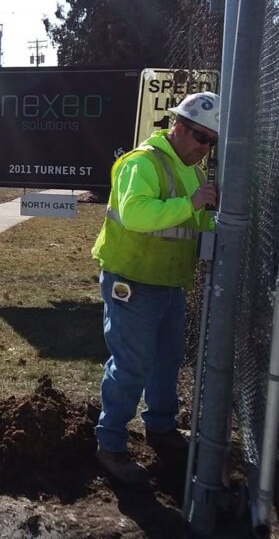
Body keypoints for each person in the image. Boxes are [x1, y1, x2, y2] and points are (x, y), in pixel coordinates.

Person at [91, 91, 220, 486]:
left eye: (212, 142)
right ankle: (110, 445)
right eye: (201, 137)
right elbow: (135, 213)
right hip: (131, 281)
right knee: (131, 364)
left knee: (167, 359)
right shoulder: (142, 163)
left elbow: (196, 225)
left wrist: (217, 229)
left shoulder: (192, 172)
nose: (205, 149)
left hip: (167, 283)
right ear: (178, 127)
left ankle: (160, 429)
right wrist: (192, 203)